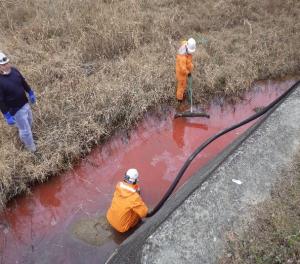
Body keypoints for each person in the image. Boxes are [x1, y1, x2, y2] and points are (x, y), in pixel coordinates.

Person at [0, 52, 37, 152]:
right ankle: (32, 150)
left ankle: (27, 139)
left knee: (29, 121)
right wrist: (7, 115)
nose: (6, 65)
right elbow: (1, 100)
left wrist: (30, 92)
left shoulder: (15, 71)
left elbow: (23, 82)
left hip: (25, 103)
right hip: (16, 110)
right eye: (3, 65)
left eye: (7, 63)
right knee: (25, 130)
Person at [106, 168, 148, 233]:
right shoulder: (134, 197)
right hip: (121, 227)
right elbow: (144, 213)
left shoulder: (119, 187)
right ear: (135, 180)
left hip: (109, 217)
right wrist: (138, 199)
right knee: (138, 212)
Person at [175, 38, 196, 104]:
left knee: (184, 84)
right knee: (181, 86)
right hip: (181, 73)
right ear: (187, 48)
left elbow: (189, 62)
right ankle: (179, 99)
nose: (191, 53)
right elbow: (183, 69)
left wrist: (191, 67)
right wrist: (188, 73)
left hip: (185, 69)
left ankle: (180, 97)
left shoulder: (187, 46)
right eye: (191, 51)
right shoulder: (182, 58)